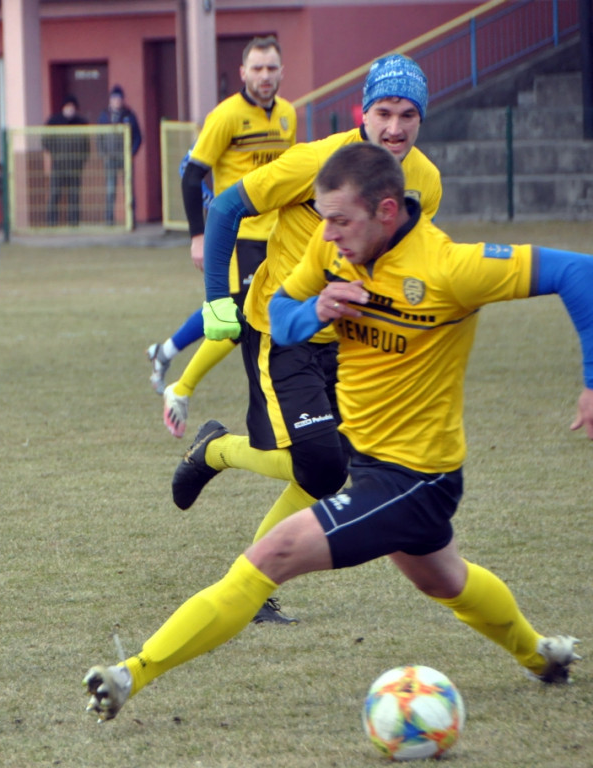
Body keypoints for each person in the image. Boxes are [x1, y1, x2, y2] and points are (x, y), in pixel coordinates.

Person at [84, 141, 589, 722]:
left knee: (268, 555)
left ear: (387, 212)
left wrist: (592, 381)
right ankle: (541, 656)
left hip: (416, 477)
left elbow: (579, 272)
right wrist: (317, 312)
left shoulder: (450, 267)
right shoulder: (335, 257)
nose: (327, 234)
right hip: (371, 463)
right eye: (323, 219)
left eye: (339, 220)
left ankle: (131, 673)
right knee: (446, 579)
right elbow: (280, 314)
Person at [171, 54, 441, 623]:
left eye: (408, 115)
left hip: (350, 339)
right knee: (318, 466)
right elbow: (226, 206)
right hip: (283, 329)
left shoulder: (427, 183)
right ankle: (219, 463)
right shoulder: (317, 162)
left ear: (422, 119)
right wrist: (217, 297)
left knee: (332, 466)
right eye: (384, 112)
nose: (395, 128)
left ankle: (249, 564)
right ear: (362, 113)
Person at [148, 37, 296, 442]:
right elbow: (192, 174)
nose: (265, 76)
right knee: (236, 324)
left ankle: (174, 365)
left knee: (268, 323)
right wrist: (199, 235)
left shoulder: (288, 115)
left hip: (279, 239)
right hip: (239, 237)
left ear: (282, 73)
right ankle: (183, 387)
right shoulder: (226, 116)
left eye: (271, 68)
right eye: (257, 68)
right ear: (243, 72)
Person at [97, 85, 142, 224]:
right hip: (110, 158)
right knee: (110, 189)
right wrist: (103, 154)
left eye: (119, 98)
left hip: (126, 158)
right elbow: (99, 137)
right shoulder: (104, 115)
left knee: (129, 189)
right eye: (114, 98)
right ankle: (109, 220)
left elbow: (138, 137)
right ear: (110, 100)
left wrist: (131, 153)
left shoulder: (129, 115)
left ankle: (131, 220)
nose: (117, 101)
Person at [42, 95, 89, 227]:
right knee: (55, 194)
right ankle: (51, 223)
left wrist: (81, 160)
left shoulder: (81, 122)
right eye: (68, 107)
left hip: (75, 166)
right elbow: (45, 140)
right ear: (63, 108)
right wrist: (56, 154)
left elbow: (86, 145)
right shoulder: (54, 121)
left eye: (72, 107)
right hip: (58, 165)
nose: (70, 110)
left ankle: (74, 223)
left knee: (74, 196)